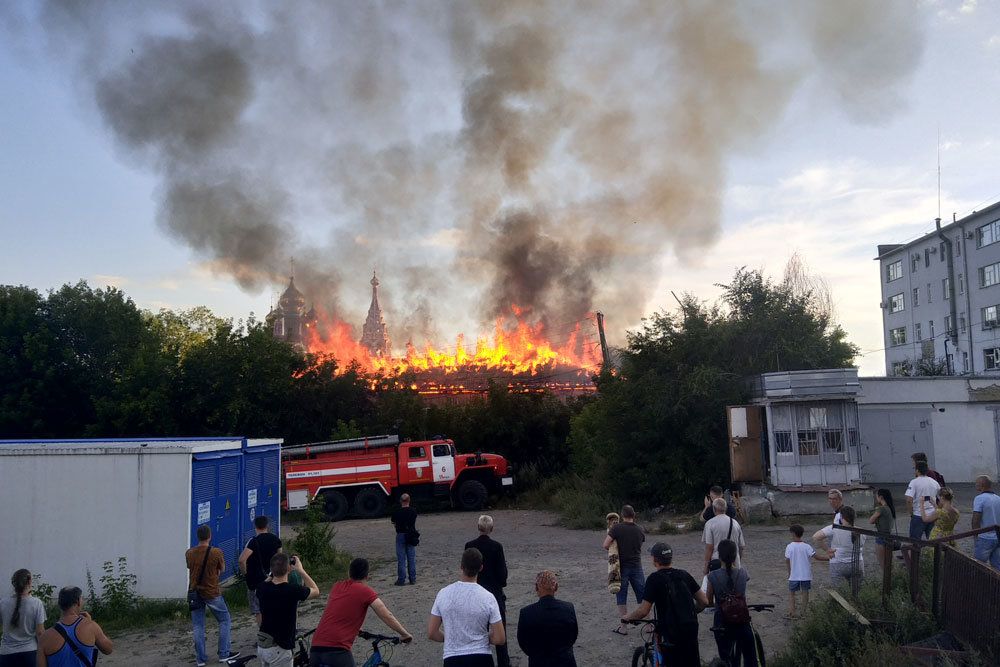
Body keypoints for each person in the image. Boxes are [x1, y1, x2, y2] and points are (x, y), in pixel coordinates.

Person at [310, 558, 412, 667]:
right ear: (367, 575)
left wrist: (356, 629)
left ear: (349, 573)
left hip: (315, 650)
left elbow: (340, 611)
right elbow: (386, 615)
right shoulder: (365, 591)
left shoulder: (337, 586)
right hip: (337, 651)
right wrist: (405, 634)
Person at [622, 543, 708, 667]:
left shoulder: (654, 579)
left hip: (670, 631)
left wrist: (628, 617)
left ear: (655, 560)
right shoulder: (684, 574)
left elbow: (644, 611)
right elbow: (704, 601)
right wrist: (691, 611)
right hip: (690, 627)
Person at [428, 548, 505, 667]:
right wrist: (484, 638)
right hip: (481, 656)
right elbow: (500, 638)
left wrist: (451, 638)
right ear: (481, 568)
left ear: (461, 566)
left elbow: (432, 633)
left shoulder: (443, 593)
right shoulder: (488, 597)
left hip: (453, 657)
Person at [186, 524, 239, 666]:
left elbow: (190, 567)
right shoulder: (216, 552)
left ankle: (200, 659)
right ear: (210, 536)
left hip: (195, 592)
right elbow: (222, 568)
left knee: (198, 625)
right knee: (224, 620)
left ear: (198, 536)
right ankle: (224, 653)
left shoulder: (189, 553)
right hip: (212, 591)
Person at [255, 553, 320, 666]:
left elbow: (264, 583)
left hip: (264, 644)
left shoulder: (262, 588)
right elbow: (316, 590)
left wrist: (273, 572)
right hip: (280, 647)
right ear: (289, 569)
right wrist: (301, 570)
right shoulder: (292, 590)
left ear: (271, 569)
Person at [464, 515, 509, 667]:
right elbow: (502, 574)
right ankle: (503, 662)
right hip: (494, 593)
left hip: (474, 592)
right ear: (491, 528)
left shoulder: (469, 546)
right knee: (499, 628)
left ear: (478, 527)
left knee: (475, 630)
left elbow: (467, 569)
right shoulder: (497, 547)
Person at [706, 539, 757, 667]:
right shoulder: (743, 573)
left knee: (725, 658)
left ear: (719, 556)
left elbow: (708, 601)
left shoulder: (712, 576)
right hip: (742, 620)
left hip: (722, 621)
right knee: (749, 656)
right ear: (735, 555)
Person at [37, 587, 113, 666]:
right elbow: (108, 649)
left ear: (59, 604)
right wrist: (91, 624)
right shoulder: (91, 626)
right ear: (78, 601)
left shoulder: (44, 638)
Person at [516, 570, 578, 667]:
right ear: (556, 587)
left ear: (536, 587)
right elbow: (573, 636)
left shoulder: (526, 613)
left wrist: (535, 654)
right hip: (564, 660)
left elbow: (523, 642)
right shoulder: (568, 608)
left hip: (538, 661)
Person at [602, 505, 646, 636]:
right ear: (634, 515)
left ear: (622, 516)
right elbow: (640, 543)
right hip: (637, 565)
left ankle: (623, 627)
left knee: (621, 596)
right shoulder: (640, 530)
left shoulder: (617, 528)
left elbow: (605, 545)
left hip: (621, 567)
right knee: (643, 595)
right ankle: (649, 625)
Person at [238, 515, 283, 626]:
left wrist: (246, 574)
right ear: (267, 525)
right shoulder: (275, 539)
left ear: (255, 526)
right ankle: (275, 630)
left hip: (256, 581)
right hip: (273, 578)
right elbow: (280, 558)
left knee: (258, 610)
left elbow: (242, 560)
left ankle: (264, 635)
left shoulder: (253, 542)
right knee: (273, 605)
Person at [0, 569, 45, 667]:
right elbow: (40, 632)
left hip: (6, 654)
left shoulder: (3, 603)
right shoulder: (36, 603)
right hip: (29, 653)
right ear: (29, 582)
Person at [813, 506, 865, 586]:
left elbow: (816, 537)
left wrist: (827, 550)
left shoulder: (834, 528)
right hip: (857, 564)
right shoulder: (862, 531)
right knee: (857, 591)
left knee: (839, 593)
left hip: (838, 563)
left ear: (841, 517)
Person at [703, 498, 746, 575]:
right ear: (726, 508)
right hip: (734, 562)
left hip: (717, 563)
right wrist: (738, 560)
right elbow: (741, 546)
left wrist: (706, 566)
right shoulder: (735, 523)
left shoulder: (710, 524)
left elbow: (709, 547)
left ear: (714, 509)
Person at [784, 525, 815, 619]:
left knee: (792, 593)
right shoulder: (807, 546)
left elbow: (787, 560)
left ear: (793, 533)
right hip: (806, 575)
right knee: (805, 593)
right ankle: (803, 613)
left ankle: (792, 612)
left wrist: (789, 572)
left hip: (794, 575)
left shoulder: (789, 546)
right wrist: (827, 558)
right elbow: (815, 556)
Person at [905, 461, 941, 540]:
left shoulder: (914, 482)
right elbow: (940, 498)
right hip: (932, 514)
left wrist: (911, 513)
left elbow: (909, 500)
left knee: (915, 542)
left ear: (917, 470)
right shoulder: (934, 482)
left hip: (918, 514)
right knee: (933, 540)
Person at [972, 475, 1000, 570]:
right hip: (997, 536)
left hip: (985, 537)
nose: (975, 485)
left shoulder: (980, 498)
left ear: (982, 485)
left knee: (978, 565)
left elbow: (976, 519)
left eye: (977, 483)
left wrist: (975, 535)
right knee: (997, 566)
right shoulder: (998, 498)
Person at [391, 494, 418, 586]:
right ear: (409, 500)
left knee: (401, 559)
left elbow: (393, 523)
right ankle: (412, 579)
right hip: (411, 535)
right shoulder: (413, 511)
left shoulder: (396, 512)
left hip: (400, 535)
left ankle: (401, 579)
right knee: (411, 558)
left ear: (400, 501)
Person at [869, 488, 897, 570]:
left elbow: (871, 520)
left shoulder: (881, 509)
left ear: (881, 497)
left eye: (876, 496)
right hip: (889, 536)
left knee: (883, 565)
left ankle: (888, 582)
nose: (876, 498)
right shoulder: (890, 508)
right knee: (889, 564)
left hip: (881, 537)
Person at [605, 512, 621, 596]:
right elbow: (606, 545)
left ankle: (616, 584)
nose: (614, 522)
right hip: (613, 553)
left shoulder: (618, 529)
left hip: (617, 552)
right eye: (612, 520)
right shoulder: (610, 530)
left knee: (615, 567)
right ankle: (613, 584)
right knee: (613, 567)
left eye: (615, 520)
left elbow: (605, 545)